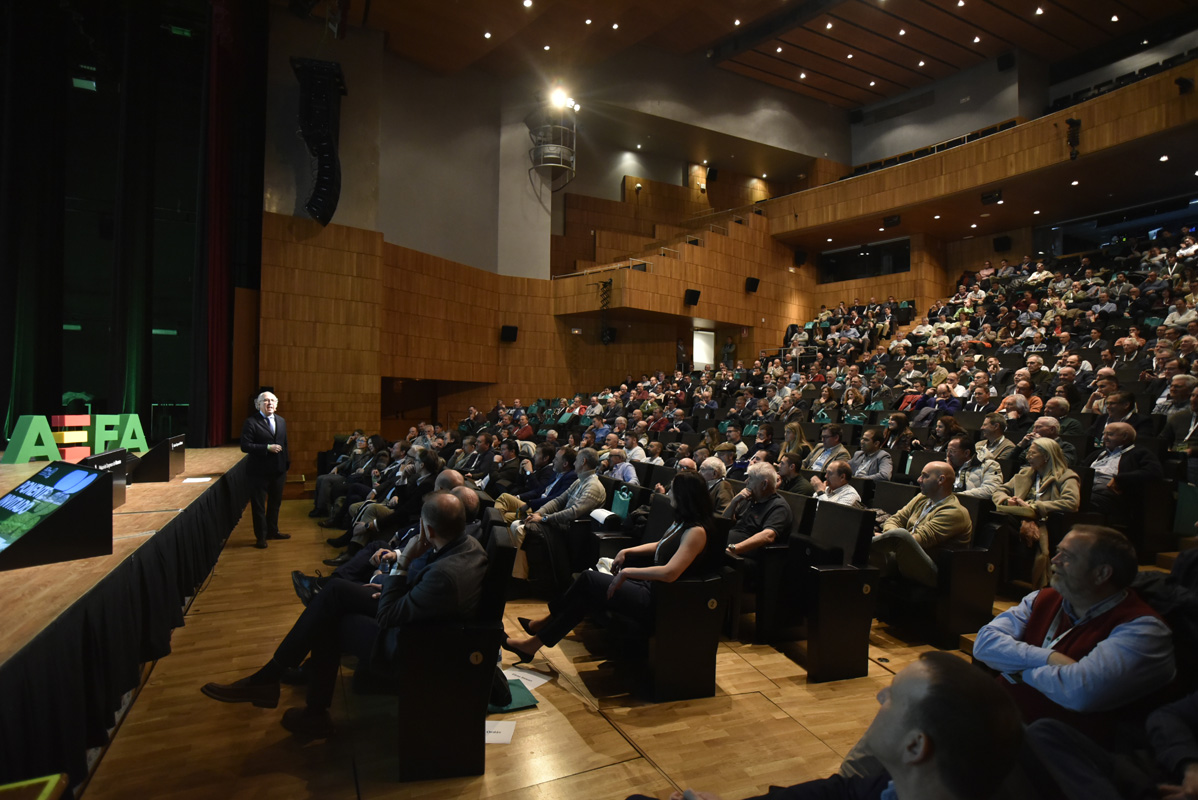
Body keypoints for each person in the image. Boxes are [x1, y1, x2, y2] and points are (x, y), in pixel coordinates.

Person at [201, 491, 486, 737]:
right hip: (419, 613)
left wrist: (403, 562)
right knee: (335, 592)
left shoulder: (445, 577)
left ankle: (294, 697)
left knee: (330, 620)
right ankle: (278, 681)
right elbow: (424, 581)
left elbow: (389, 616)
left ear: (430, 531)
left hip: (413, 644)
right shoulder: (466, 544)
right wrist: (390, 581)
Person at [659, 652, 1023, 800]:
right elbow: (837, 791)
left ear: (915, 747)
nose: (880, 697)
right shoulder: (885, 786)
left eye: (893, 696)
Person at [972, 526, 1175, 743]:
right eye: (1058, 551)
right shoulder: (1044, 598)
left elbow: (1081, 691)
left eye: (1067, 556)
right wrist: (1049, 658)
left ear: (1102, 573)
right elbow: (984, 643)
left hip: (1062, 751)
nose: (1055, 560)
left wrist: (1019, 670)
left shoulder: (1144, 629)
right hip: (999, 720)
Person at [500, 470, 718, 663]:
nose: (669, 494)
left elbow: (671, 573)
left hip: (660, 597)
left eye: (673, 491)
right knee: (586, 595)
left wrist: (628, 572)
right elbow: (661, 545)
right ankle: (532, 644)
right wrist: (628, 551)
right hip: (650, 587)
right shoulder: (681, 522)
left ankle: (543, 625)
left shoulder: (696, 532)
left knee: (588, 578)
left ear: (685, 496)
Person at [993, 438, 1081, 589]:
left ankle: (998, 575)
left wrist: (1034, 506)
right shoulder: (1025, 473)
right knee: (996, 519)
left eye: (1032, 453)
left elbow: (1071, 503)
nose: (1027, 457)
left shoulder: (1066, 476)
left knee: (1000, 523)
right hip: (1018, 515)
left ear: (1046, 456)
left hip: (1043, 520)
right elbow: (1000, 490)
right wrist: (1007, 500)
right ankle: (997, 574)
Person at [509, 448, 606, 582]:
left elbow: (573, 513)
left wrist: (544, 518)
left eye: (577, 460)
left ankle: (520, 578)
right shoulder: (580, 481)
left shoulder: (593, 486)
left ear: (583, 462)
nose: (574, 463)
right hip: (559, 524)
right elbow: (559, 500)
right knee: (518, 524)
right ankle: (523, 573)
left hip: (570, 530)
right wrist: (539, 512)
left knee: (521, 528)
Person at [870, 462, 971, 587]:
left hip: (932, 570)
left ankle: (862, 542)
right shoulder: (922, 498)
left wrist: (889, 538)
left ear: (941, 480)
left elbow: (918, 540)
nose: (919, 480)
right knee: (867, 557)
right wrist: (889, 536)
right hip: (904, 556)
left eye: (925, 476)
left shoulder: (954, 512)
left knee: (900, 535)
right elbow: (895, 519)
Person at [239, 391, 291, 549]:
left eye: (272, 401)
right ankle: (261, 537)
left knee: (275, 504)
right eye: (265, 401)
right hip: (258, 472)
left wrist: (287, 464)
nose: (269, 403)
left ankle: (273, 531)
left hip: (279, 471)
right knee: (259, 506)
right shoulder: (251, 422)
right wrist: (267, 448)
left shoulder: (281, 421)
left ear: (276, 404)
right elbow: (245, 446)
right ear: (258, 404)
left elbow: (285, 443)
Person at [722, 462, 794, 556]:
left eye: (750, 478)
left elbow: (768, 536)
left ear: (764, 484)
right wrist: (734, 503)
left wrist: (733, 549)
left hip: (743, 555)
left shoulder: (779, 506)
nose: (746, 482)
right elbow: (723, 522)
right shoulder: (749, 498)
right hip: (726, 544)